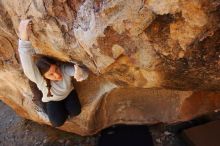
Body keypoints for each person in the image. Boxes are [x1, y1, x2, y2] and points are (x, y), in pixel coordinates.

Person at [18, 19, 88, 127]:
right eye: (51, 74)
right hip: (51, 99)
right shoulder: (40, 80)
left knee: (76, 112)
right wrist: (24, 38)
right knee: (57, 122)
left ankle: (62, 109)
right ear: (43, 76)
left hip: (68, 93)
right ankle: (44, 106)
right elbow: (27, 66)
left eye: (56, 69)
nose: (57, 75)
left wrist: (80, 73)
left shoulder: (63, 68)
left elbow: (78, 72)